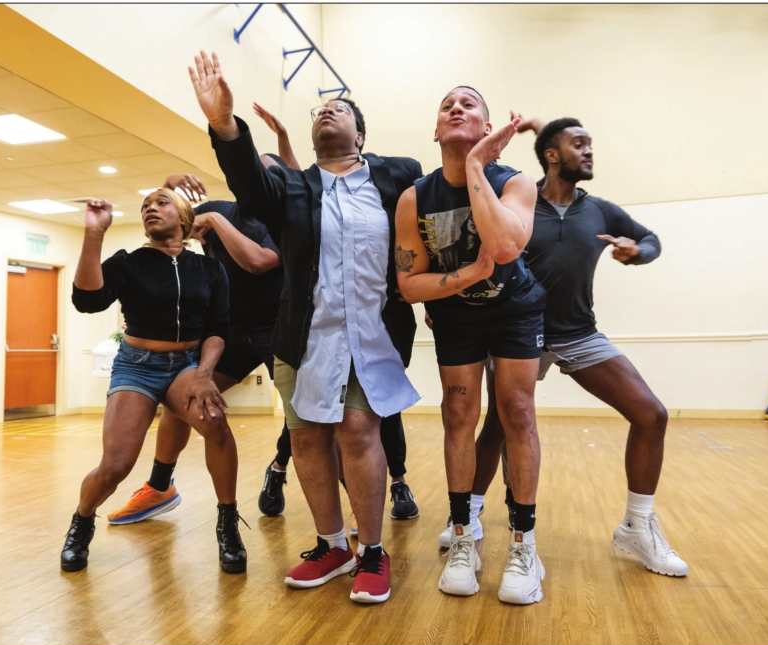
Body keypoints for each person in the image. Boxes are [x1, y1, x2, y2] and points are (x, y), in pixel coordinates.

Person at [191, 50, 422, 604]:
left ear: (360, 135)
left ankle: (372, 551)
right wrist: (224, 124)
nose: (327, 112)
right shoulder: (292, 189)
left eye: (339, 108)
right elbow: (249, 181)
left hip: (374, 333)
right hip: (302, 338)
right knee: (306, 437)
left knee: (358, 431)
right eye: (319, 110)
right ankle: (332, 545)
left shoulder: (399, 175)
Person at [465, 116, 688, 578]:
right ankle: (467, 515)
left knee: (651, 414)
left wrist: (636, 252)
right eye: (579, 144)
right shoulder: (521, 202)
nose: (589, 151)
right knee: (498, 426)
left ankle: (637, 525)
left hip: (579, 333)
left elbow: (650, 240)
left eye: (590, 144)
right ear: (552, 155)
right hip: (518, 333)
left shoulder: (600, 211)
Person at [394, 87, 547, 604]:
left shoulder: (516, 182)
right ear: (436, 131)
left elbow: (503, 247)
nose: (456, 108)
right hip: (456, 315)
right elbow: (409, 285)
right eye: (446, 106)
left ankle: (524, 545)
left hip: (515, 310)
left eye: (469, 104)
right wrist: (468, 276)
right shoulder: (415, 198)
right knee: (458, 415)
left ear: (486, 128)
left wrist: (477, 165)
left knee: (517, 412)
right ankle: (463, 536)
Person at [63, 189, 246, 574]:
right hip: (137, 366)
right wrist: (95, 233)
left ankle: (227, 524)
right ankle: (82, 520)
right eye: (146, 205)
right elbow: (87, 300)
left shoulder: (209, 269)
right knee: (115, 467)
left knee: (215, 423)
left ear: (184, 218)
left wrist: (204, 374)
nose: (151, 208)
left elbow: (218, 328)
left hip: (187, 365)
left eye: (161, 203)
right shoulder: (129, 263)